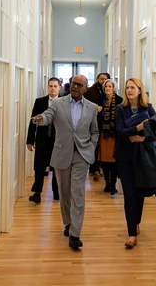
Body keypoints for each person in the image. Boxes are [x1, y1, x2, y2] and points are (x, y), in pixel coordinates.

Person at [32, 75, 99, 249]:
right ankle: (68, 222)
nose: (75, 87)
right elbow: (48, 115)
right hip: (62, 153)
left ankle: (75, 233)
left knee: (78, 192)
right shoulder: (58, 103)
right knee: (65, 192)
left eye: (79, 85)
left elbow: (95, 131)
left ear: (85, 88)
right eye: (73, 84)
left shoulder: (91, 108)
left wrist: (90, 148)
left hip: (82, 155)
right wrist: (41, 119)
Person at [114, 77, 156, 248]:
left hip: (142, 157)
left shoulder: (148, 108)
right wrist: (138, 127)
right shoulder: (120, 109)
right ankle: (131, 233)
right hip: (124, 157)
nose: (129, 90)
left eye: (132, 87)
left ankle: (136, 222)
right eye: (127, 88)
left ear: (140, 90)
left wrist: (143, 136)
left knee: (139, 193)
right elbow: (120, 132)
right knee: (129, 195)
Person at [26, 77, 60, 204]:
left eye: (55, 86)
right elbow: (33, 121)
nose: (52, 88)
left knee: (56, 168)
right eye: (50, 86)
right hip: (42, 140)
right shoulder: (40, 102)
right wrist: (30, 140)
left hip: (58, 141)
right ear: (47, 87)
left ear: (59, 88)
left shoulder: (63, 102)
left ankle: (57, 192)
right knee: (39, 168)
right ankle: (37, 193)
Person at [97, 79, 123, 194]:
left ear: (113, 88)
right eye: (106, 86)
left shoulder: (119, 100)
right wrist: (98, 111)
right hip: (104, 134)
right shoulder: (100, 100)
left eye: (110, 86)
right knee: (105, 161)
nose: (107, 88)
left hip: (115, 134)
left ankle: (113, 185)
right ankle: (107, 183)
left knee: (114, 161)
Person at [84, 72, 111, 180]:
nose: (103, 81)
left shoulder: (109, 92)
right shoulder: (90, 91)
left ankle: (102, 167)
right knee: (93, 145)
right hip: (92, 121)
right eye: (101, 78)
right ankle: (93, 167)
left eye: (106, 79)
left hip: (105, 123)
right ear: (97, 79)